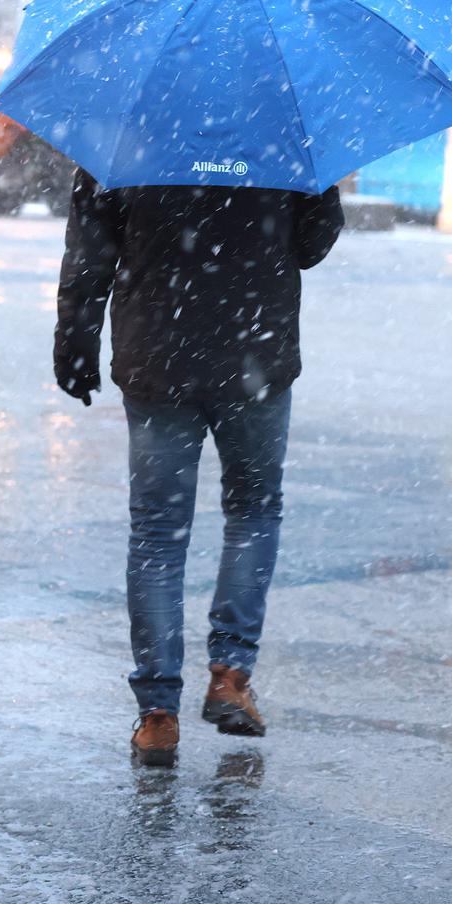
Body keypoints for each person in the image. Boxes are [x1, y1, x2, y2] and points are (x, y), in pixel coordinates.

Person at [54, 172, 343, 768]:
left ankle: (159, 714)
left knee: (158, 531)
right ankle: (230, 676)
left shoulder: (130, 127)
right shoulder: (281, 130)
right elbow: (314, 244)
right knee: (254, 509)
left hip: (156, 354)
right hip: (254, 353)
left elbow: (91, 250)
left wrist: (76, 341)